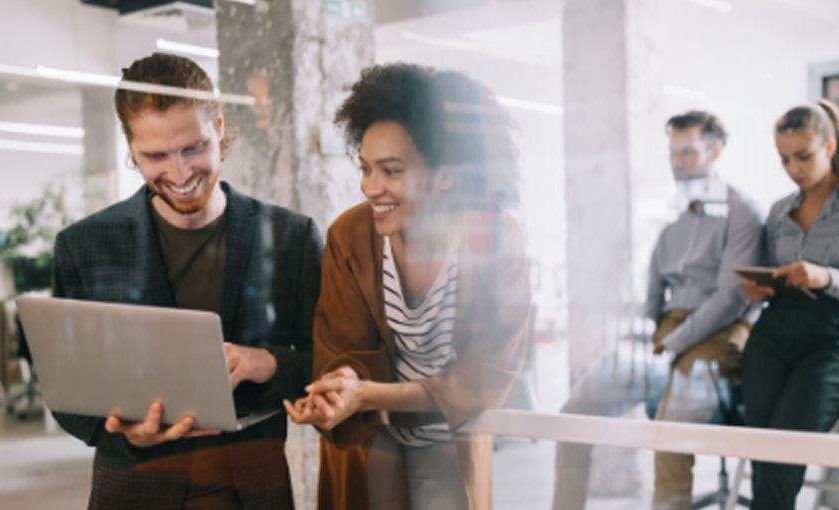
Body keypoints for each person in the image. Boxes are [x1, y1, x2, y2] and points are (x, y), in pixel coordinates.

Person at [49, 52, 322, 509]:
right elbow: (66, 387)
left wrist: (267, 363)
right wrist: (123, 428)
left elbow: (327, 366)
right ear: (132, 149)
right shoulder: (85, 245)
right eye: (155, 156)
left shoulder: (292, 237)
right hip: (133, 486)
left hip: (251, 483)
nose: (179, 174)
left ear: (218, 126)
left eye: (193, 147)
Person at [283, 63, 532, 509]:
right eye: (365, 168)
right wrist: (340, 385)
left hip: (450, 441)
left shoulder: (494, 239)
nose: (370, 187)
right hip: (372, 438)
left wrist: (369, 394)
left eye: (391, 171)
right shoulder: (349, 236)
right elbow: (343, 346)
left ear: (445, 174)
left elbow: (487, 373)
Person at [551, 111, 763, 510]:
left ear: (715, 151)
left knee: (671, 427)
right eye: (673, 152)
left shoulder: (742, 214)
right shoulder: (671, 219)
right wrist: (640, 334)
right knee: (573, 414)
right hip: (664, 332)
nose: (678, 162)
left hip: (721, 332)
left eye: (688, 152)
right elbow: (653, 292)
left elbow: (730, 299)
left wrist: (671, 342)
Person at [740, 99, 839, 510]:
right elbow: (774, 274)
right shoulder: (778, 212)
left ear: (829, 146)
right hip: (775, 334)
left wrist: (827, 277)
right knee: (762, 447)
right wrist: (760, 290)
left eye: (803, 156)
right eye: (784, 159)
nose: (793, 169)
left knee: (785, 448)